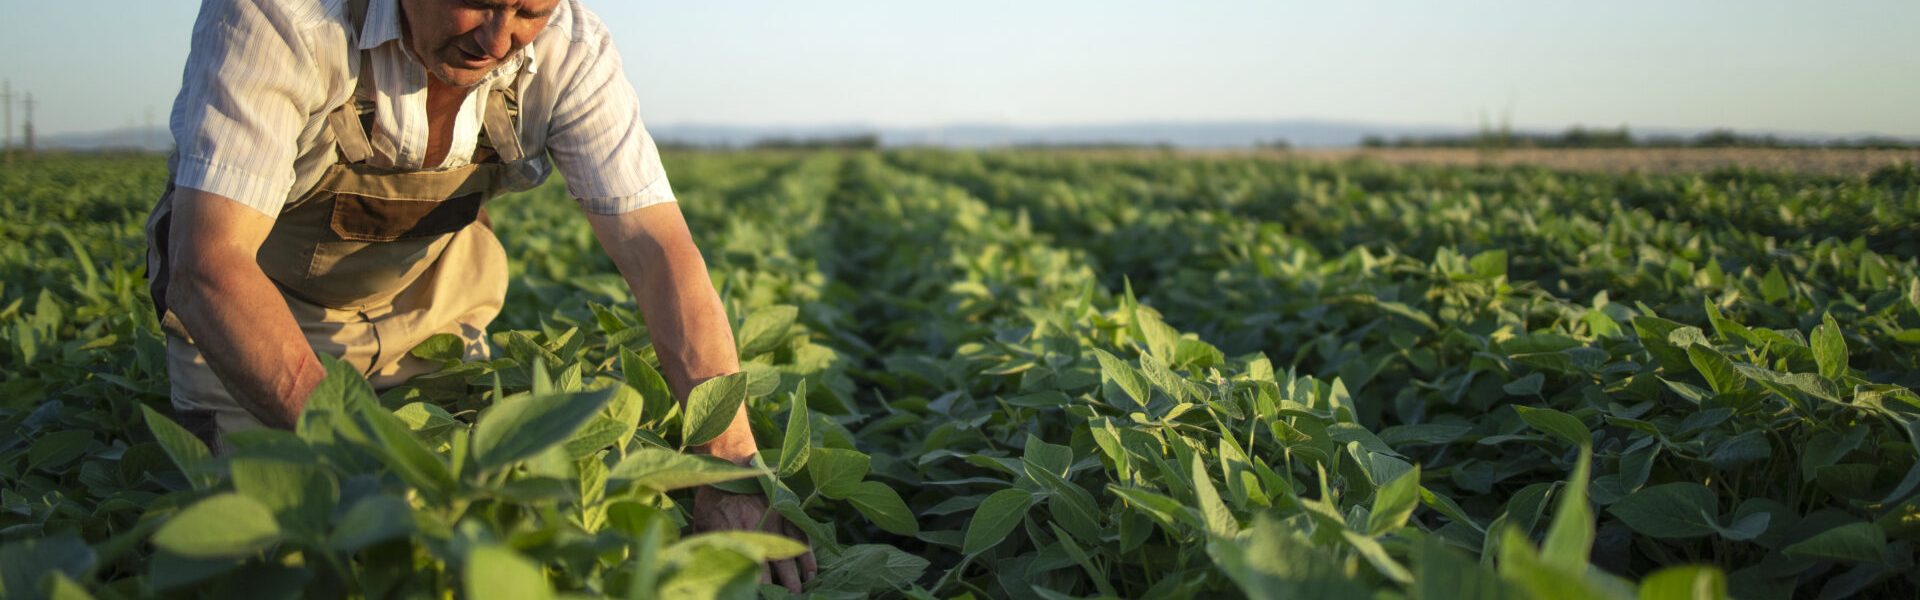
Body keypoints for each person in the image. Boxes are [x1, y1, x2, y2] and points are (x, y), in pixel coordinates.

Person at [142, 0, 816, 590]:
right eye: (477, 2)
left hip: (433, 307)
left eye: (529, 11)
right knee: (281, 547)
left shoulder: (570, 48)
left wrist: (727, 465)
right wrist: (368, 463)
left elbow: (656, 251)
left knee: (484, 534)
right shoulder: (284, 16)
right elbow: (209, 269)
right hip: (261, 319)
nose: (498, 39)